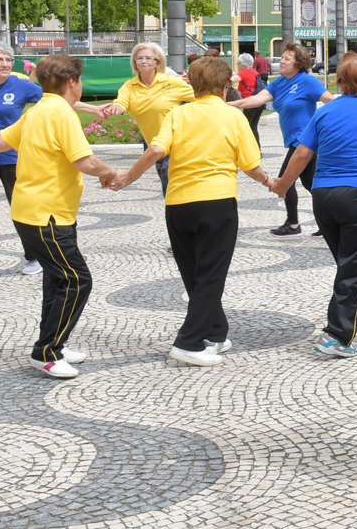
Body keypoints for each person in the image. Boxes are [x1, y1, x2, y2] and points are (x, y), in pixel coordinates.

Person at [105, 57, 272, 367]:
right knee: (211, 275)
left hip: (178, 204)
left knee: (195, 274)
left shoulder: (177, 113)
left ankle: (215, 332)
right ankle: (188, 342)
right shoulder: (233, 116)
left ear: (193, 86)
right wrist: (269, 181)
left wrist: (129, 176)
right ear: (225, 88)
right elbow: (251, 165)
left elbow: (156, 149)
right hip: (216, 202)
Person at [0, 54, 123, 378]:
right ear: (72, 82)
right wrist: (110, 172)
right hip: (45, 215)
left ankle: (55, 344)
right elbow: (85, 161)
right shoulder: (61, 113)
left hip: (39, 211)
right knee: (77, 280)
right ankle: (46, 352)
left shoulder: (37, 110)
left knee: (56, 279)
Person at [267, 54, 357, 358]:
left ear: (340, 81)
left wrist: (283, 184)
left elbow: (302, 154)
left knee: (349, 262)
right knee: (355, 264)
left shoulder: (327, 110)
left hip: (324, 197)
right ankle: (338, 335)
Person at [228, 42, 338, 237]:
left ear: (299, 63)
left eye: (287, 59)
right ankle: (331, 222)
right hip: (295, 140)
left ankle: (293, 224)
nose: (282, 61)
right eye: (282, 58)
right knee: (311, 184)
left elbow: (331, 101)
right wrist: (232, 104)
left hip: (304, 140)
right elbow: (258, 99)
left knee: (285, 180)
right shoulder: (279, 83)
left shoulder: (307, 81)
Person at [98, 43, 196, 197]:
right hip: (156, 148)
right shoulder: (129, 86)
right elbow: (121, 102)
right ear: (134, 62)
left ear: (157, 62)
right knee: (170, 192)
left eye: (149, 58)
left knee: (173, 191)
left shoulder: (172, 82)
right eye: (139, 58)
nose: (143, 61)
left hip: (178, 144)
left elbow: (201, 97)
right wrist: (116, 107)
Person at [0, 42, 44, 277]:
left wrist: (93, 109)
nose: (5, 63)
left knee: (22, 210)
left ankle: (34, 258)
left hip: (13, 159)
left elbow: (55, 102)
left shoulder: (20, 86)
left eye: (9, 59)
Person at [235, 53, 265, 146]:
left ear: (244, 65)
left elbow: (230, 80)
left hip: (250, 103)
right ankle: (257, 148)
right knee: (253, 127)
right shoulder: (254, 72)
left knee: (245, 127)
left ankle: (246, 147)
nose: (237, 65)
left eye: (238, 63)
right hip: (259, 102)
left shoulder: (243, 73)